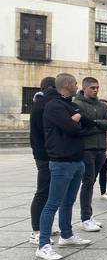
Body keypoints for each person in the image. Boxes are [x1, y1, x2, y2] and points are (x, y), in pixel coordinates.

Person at [35, 73, 94, 260]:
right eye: (75, 83)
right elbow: (72, 128)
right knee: (52, 202)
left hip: (77, 161)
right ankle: (43, 244)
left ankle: (66, 235)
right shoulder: (53, 106)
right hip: (61, 162)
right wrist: (76, 121)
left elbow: (88, 125)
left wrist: (76, 120)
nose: (77, 85)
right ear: (67, 84)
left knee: (68, 201)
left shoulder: (71, 104)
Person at [73, 77, 107, 232]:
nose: (95, 90)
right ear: (84, 88)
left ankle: (89, 216)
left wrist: (95, 122)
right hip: (86, 149)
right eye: (92, 87)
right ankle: (85, 217)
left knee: (92, 181)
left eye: (97, 87)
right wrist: (99, 125)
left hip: (100, 148)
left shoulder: (101, 105)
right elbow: (81, 127)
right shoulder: (77, 104)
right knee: (88, 182)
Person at [29, 77, 58, 245]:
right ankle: (36, 231)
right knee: (43, 191)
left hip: (43, 152)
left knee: (49, 192)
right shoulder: (44, 103)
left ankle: (44, 226)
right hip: (44, 154)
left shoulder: (40, 102)